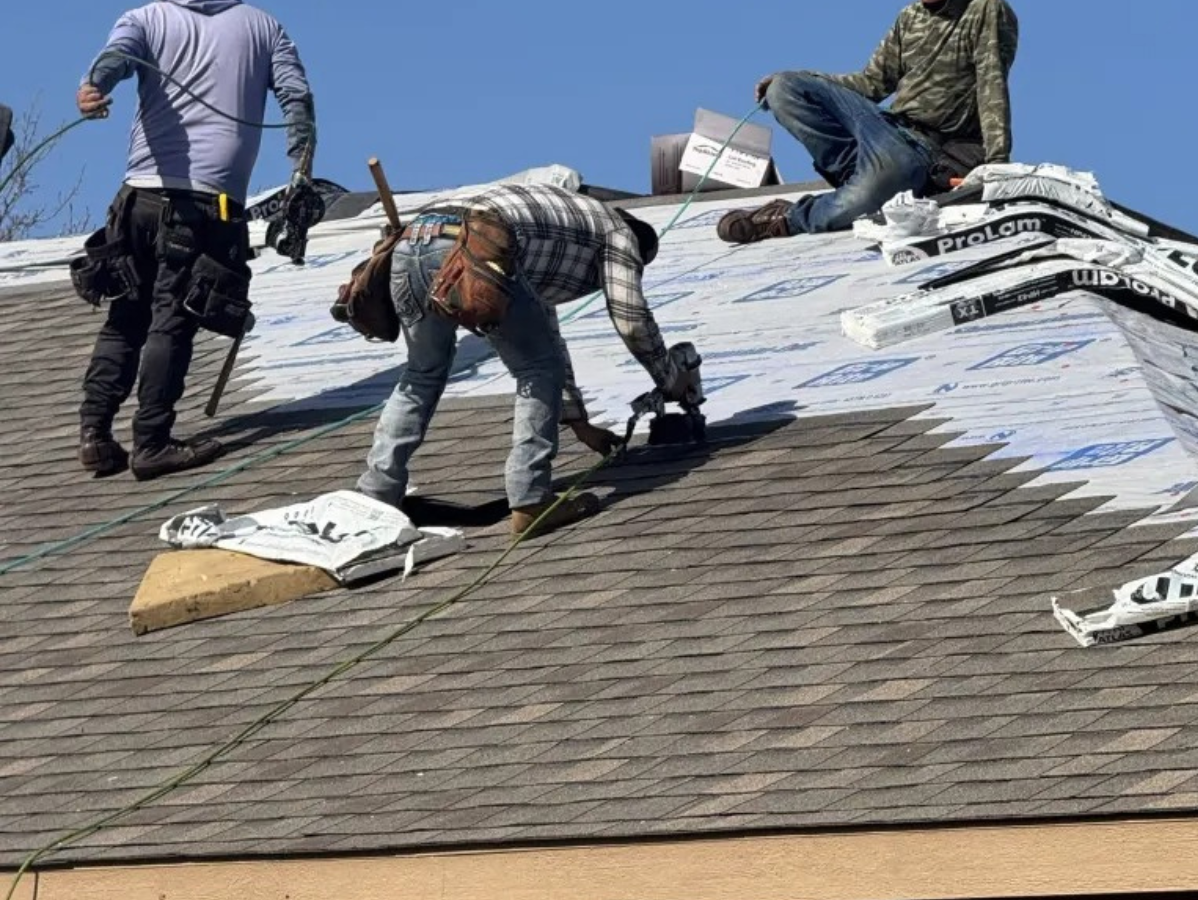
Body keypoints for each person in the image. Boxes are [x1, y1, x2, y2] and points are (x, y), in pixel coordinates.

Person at [356, 183, 698, 537]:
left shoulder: (563, 231)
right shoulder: (620, 234)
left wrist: (579, 424)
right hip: (478, 238)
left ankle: (377, 494)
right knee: (535, 370)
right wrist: (669, 378)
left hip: (412, 239)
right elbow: (632, 320)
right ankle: (531, 499)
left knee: (422, 373)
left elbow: (546, 337)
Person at [74, 0, 316, 480]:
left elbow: (117, 57)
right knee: (172, 321)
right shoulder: (264, 27)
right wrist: (301, 169)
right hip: (203, 206)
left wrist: (93, 88)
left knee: (127, 316)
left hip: (137, 200)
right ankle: (153, 442)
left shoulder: (146, 18)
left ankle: (95, 437)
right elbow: (297, 99)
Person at [718, 0, 1018, 244]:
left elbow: (991, 87)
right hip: (887, 132)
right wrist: (807, 81)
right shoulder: (909, 18)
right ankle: (857, 176)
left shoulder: (984, 9)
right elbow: (871, 84)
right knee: (784, 87)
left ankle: (788, 218)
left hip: (925, 154)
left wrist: (997, 165)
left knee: (871, 193)